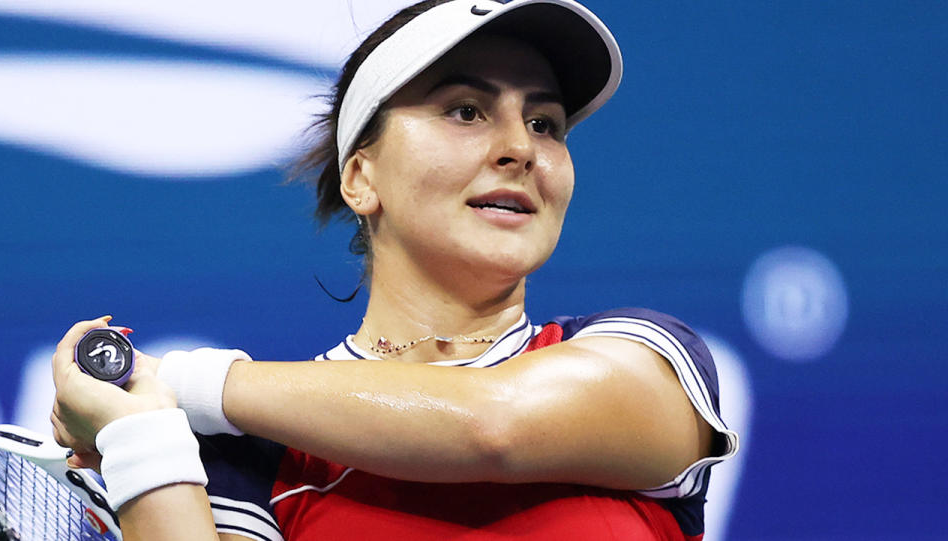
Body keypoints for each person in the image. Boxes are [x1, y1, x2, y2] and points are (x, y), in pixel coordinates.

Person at [50, 1, 739, 540]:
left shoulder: (651, 362)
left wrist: (176, 381)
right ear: (361, 175)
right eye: (466, 110)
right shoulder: (258, 457)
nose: (519, 149)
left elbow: (492, 425)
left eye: (547, 124)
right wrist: (142, 427)